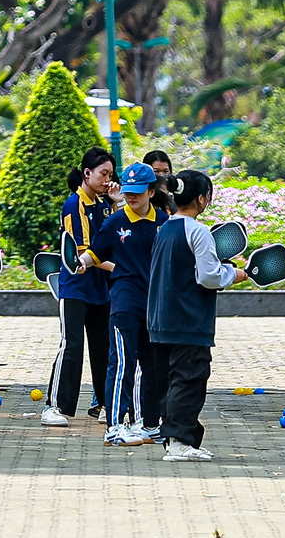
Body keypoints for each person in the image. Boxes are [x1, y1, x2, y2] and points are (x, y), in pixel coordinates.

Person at [146, 168, 240, 462]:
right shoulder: (197, 231)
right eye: (208, 196)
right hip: (188, 320)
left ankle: (176, 439)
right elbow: (209, 276)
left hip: (160, 320)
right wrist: (236, 273)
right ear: (201, 199)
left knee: (169, 383)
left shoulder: (165, 228)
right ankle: (179, 442)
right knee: (189, 381)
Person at [93, 162, 164, 446]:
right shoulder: (115, 222)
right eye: (128, 191)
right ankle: (115, 425)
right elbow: (95, 253)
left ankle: (149, 424)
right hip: (124, 301)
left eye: (137, 192)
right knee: (122, 362)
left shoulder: (164, 222)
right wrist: (83, 263)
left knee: (153, 365)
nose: (131, 197)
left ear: (151, 191)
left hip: (155, 305)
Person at [45, 147, 115, 427]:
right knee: (71, 346)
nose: (108, 180)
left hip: (101, 289)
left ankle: (104, 403)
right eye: (103, 174)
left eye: (111, 174)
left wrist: (117, 203)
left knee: (103, 347)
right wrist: (119, 269)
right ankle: (54, 405)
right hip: (75, 287)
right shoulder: (74, 205)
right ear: (87, 173)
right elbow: (84, 251)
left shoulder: (104, 203)